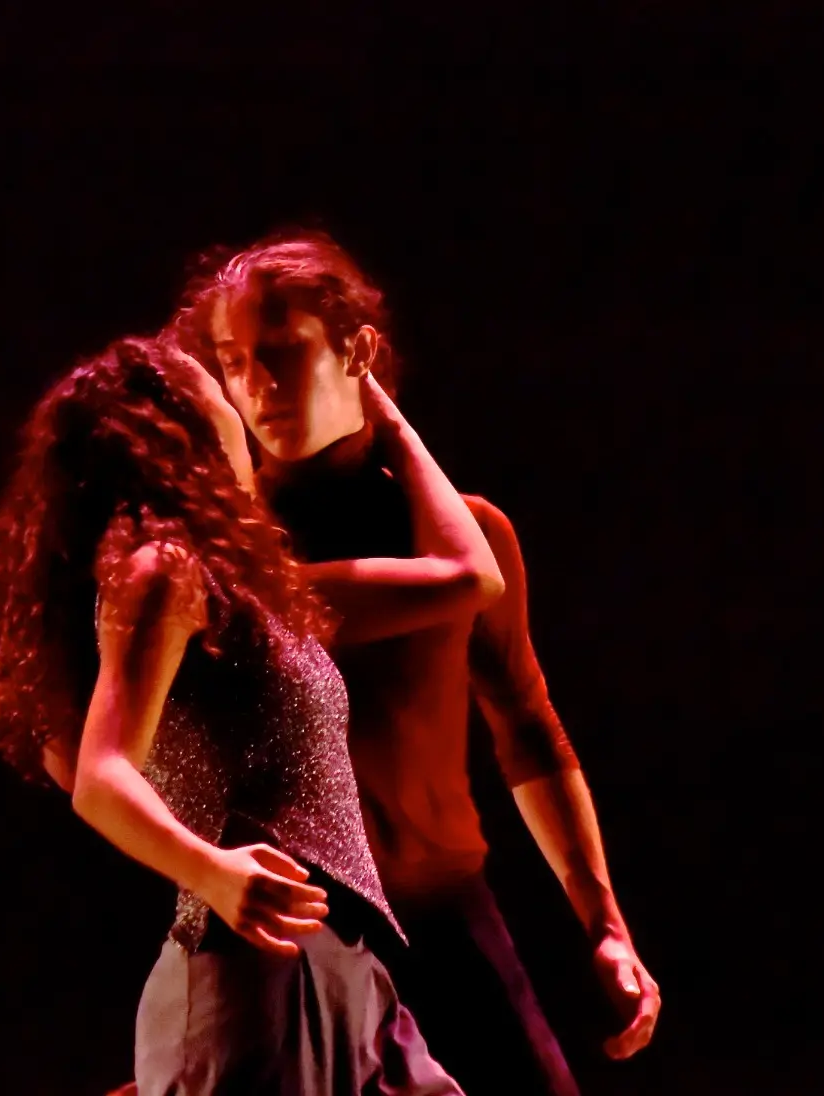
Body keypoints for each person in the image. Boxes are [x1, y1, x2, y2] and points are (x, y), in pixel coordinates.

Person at [173, 230, 663, 1096]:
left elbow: (528, 729)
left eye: (281, 354)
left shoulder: (468, 531)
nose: (255, 386)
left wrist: (605, 921)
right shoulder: (217, 561)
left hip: (442, 912)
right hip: (291, 927)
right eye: (233, 362)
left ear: (356, 351)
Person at [0, 330, 479, 1095]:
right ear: (188, 428)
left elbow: (470, 578)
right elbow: (98, 776)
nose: (240, 404)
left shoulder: (243, 588)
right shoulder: (162, 568)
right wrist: (213, 871)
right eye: (217, 385)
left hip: (341, 965)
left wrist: (388, 422)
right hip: (257, 967)